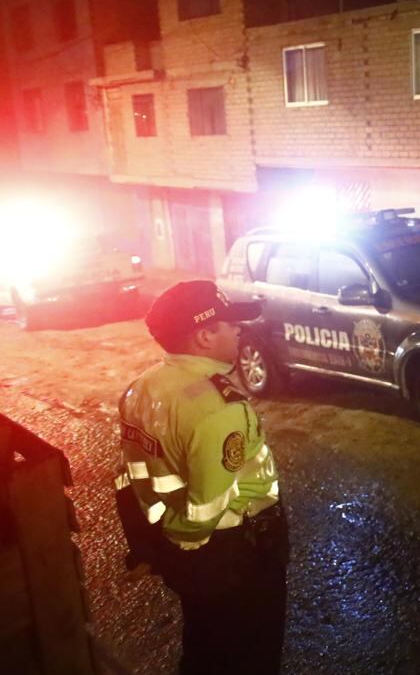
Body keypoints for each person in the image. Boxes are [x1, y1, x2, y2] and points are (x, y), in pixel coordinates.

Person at [114, 280, 289, 674]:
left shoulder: (139, 390)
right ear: (205, 336)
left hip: (188, 559)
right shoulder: (218, 409)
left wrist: (148, 545)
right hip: (232, 559)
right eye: (230, 324)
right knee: (250, 658)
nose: (239, 330)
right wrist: (179, 547)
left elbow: (127, 477)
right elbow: (206, 511)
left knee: (205, 646)